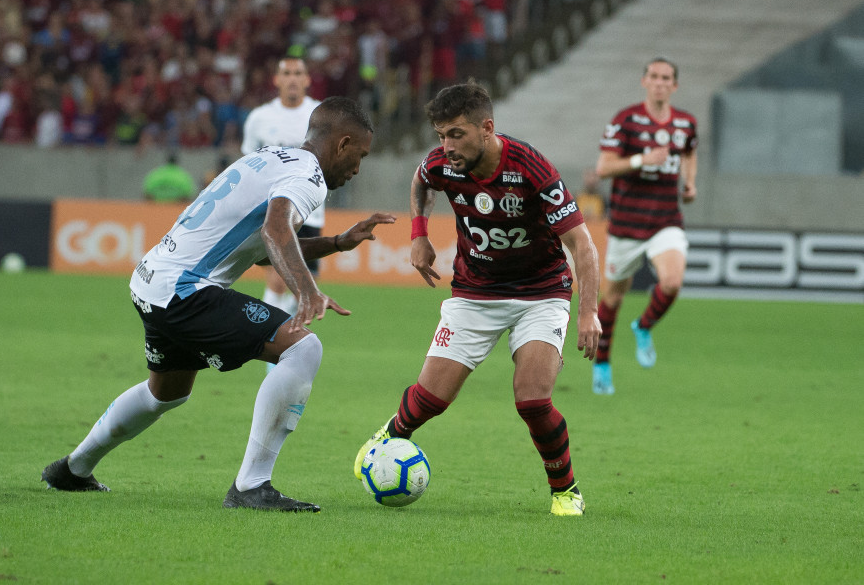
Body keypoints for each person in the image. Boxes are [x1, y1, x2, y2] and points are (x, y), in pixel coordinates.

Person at [42, 97, 396, 512]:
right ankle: (251, 485)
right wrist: (307, 290)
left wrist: (337, 242)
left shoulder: (270, 158)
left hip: (152, 281)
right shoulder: (308, 175)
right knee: (303, 348)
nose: (358, 169)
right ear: (343, 143)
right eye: (360, 156)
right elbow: (276, 231)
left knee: (166, 393)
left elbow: (264, 251)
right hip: (184, 289)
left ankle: (73, 469)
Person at [351, 82, 602, 517]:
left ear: (487, 128)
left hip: (541, 293)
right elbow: (421, 181)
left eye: (456, 134)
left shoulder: (532, 169)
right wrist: (419, 235)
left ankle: (565, 491)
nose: (447, 146)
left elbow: (582, 244)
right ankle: (388, 437)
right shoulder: (442, 164)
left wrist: (589, 313)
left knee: (532, 399)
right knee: (432, 399)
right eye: (440, 135)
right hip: (475, 292)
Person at [591, 57, 698, 395]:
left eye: (666, 78)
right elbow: (603, 168)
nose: (660, 82)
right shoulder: (626, 120)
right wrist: (642, 160)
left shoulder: (686, 123)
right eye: (654, 76)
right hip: (626, 224)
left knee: (672, 282)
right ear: (644, 81)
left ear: (674, 85)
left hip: (665, 220)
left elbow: (689, 153)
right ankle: (602, 364)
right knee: (612, 299)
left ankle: (644, 325)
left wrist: (690, 183)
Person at [242, 57, 322, 320]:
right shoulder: (259, 118)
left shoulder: (321, 115)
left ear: (307, 80)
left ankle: (281, 321)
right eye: (286, 73)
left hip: (310, 210)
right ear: (276, 80)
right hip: (272, 208)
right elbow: (248, 163)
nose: (292, 78)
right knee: (278, 279)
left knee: (304, 290)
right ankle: (266, 333)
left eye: (298, 73)